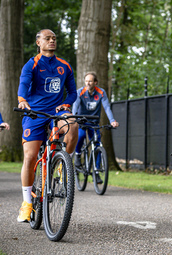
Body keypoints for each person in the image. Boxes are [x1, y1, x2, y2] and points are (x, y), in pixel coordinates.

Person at [17, 29, 78, 223]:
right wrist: (22, 100)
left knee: (73, 124)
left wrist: (67, 103)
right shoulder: (32, 64)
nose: (52, 41)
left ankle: (63, 164)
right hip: (35, 112)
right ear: (38, 42)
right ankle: (27, 203)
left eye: (54, 39)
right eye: (47, 38)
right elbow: (24, 83)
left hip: (56, 111)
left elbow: (73, 92)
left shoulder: (65, 65)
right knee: (30, 156)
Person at [72, 71, 119, 183]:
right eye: (86, 81)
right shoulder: (80, 92)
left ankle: (96, 172)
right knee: (81, 136)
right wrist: (74, 118)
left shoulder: (101, 92)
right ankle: (78, 155)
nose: (88, 83)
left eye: (90, 81)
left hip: (94, 123)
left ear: (95, 82)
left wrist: (112, 120)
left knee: (98, 145)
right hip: (82, 122)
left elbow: (107, 107)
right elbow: (75, 106)